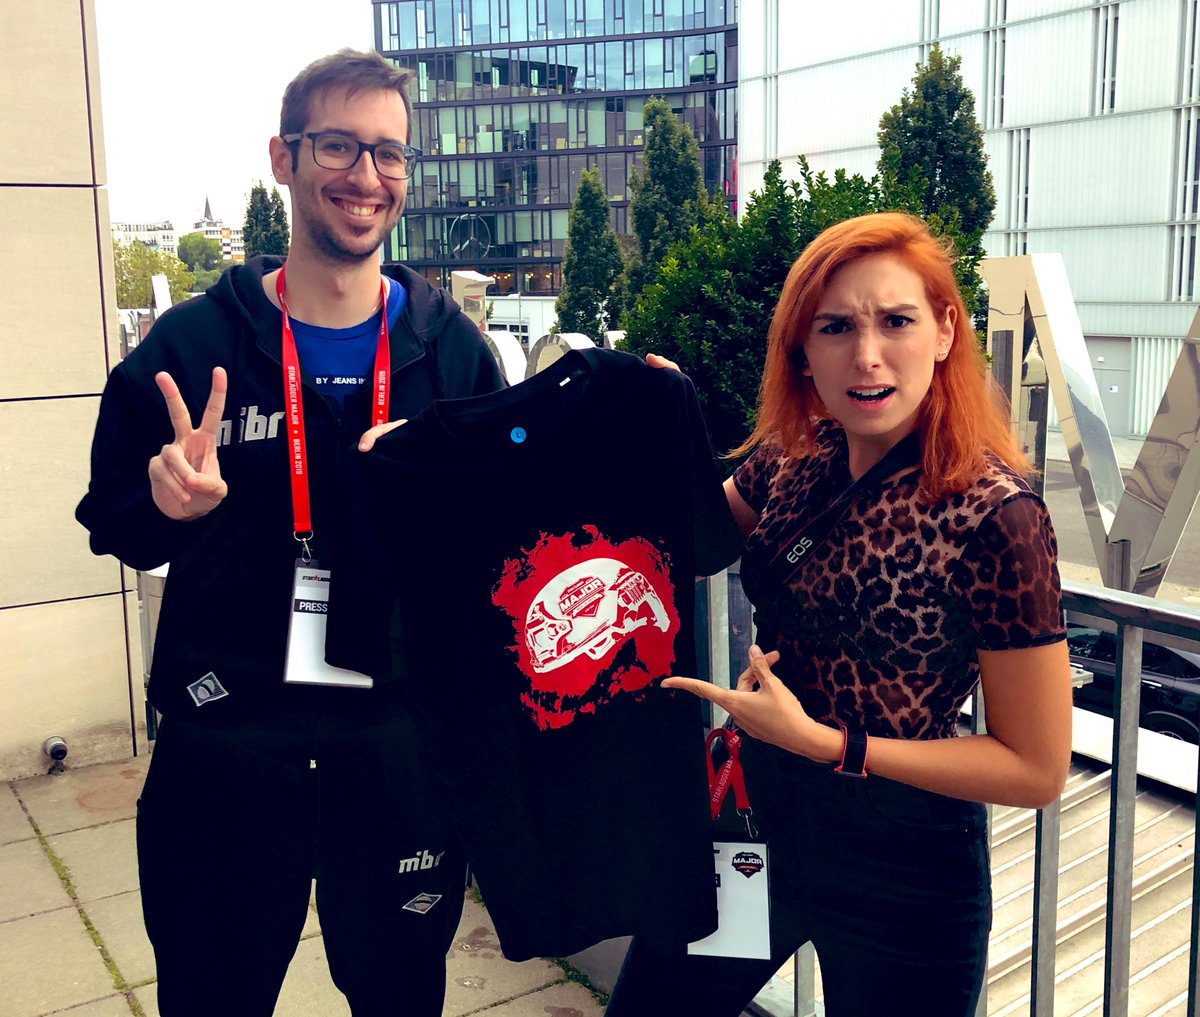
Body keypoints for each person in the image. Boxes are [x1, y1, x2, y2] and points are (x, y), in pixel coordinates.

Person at [76, 50, 504, 1016]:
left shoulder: (451, 352)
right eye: (339, 146)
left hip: (396, 747)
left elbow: (502, 541)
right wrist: (162, 505)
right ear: (285, 156)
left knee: (402, 997)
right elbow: (114, 523)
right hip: (225, 744)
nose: (367, 176)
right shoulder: (192, 348)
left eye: (389, 153)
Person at [611, 212, 1073, 1016]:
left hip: (905, 863)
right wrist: (662, 421)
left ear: (944, 331)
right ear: (802, 348)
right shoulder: (796, 453)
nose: (866, 355)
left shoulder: (996, 514)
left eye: (896, 321)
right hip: (754, 818)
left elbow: (1036, 767)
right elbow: (690, 541)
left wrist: (828, 743)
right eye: (836, 327)